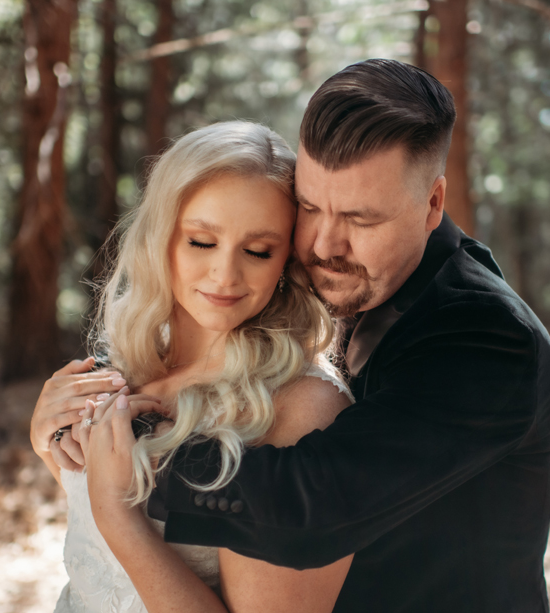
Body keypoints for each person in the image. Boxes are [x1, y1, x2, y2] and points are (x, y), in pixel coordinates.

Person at [42, 58, 550, 611]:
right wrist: (60, 435)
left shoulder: (485, 337)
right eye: (311, 207)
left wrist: (137, 449)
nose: (323, 245)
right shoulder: (348, 283)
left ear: (433, 203)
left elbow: (312, 502)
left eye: (361, 219)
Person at [30, 121, 355, 613]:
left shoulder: (303, 408)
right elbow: (101, 559)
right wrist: (49, 443)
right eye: (202, 241)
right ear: (160, 236)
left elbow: (115, 515)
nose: (225, 274)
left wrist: (117, 514)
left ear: (287, 260)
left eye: (258, 251)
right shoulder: (130, 365)